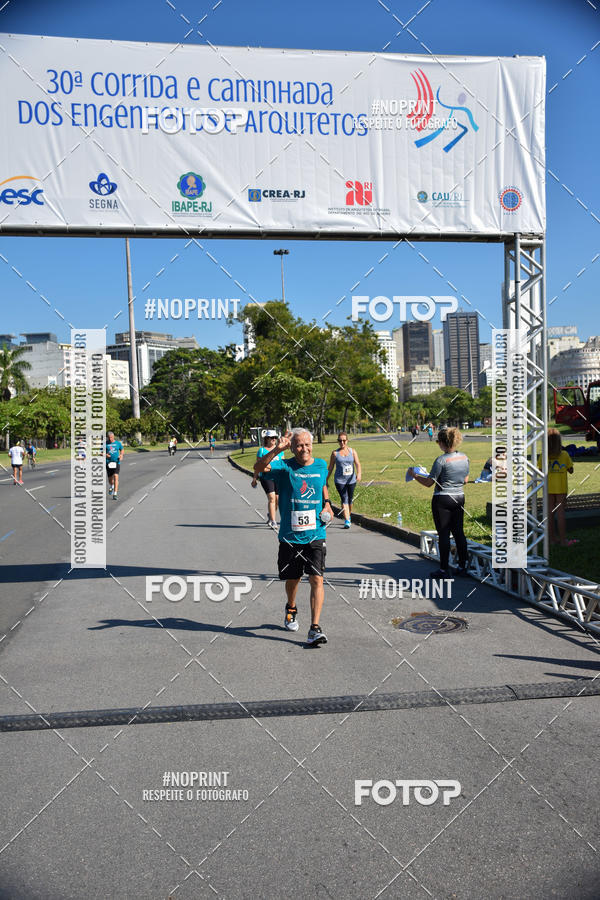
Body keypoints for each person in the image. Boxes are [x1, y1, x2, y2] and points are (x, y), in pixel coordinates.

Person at [254, 428, 333, 646]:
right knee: (293, 579)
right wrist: (277, 449)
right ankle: (291, 606)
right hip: (290, 536)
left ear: (312, 445)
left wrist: (328, 504)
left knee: (316, 578)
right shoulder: (284, 466)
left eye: (307, 444)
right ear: (292, 446)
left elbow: (323, 486)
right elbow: (258, 467)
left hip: (316, 533)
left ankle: (315, 628)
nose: (304, 449)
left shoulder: (321, 465)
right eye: (299, 445)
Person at [409, 426, 470, 578]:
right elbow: (466, 480)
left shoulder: (441, 460)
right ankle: (463, 566)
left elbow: (429, 482)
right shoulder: (464, 457)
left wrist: (415, 475)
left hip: (442, 498)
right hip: (459, 497)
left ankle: (444, 569)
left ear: (442, 443)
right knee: (458, 532)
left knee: (444, 534)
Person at [538, 429, 576, 547]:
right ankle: (563, 541)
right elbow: (571, 470)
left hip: (548, 488)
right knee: (560, 513)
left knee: (549, 513)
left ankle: (552, 539)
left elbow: (539, 471)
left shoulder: (543, 456)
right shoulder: (564, 455)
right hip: (561, 488)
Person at [327, 431, 362, 528]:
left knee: (350, 500)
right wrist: (325, 479)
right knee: (344, 498)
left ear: (347, 441)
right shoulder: (335, 453)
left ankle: (348, 516)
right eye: (340, 440)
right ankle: (347, 520)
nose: (342, 442)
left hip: (351, 480)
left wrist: (359, 474)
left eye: (344, 440)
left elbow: (357, 464)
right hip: (339, 481)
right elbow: (330, 468)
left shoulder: (352, 451)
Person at [251, 430, 283, 528]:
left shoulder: (279, 450)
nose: (274, 439)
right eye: (271, 438)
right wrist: (254, 479)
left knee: (277, 500)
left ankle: (270, 514)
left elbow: (282, 465)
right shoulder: (262, 451)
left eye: (275, 438)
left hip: (277, 477)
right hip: (266, 477)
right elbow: (258, 467)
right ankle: (273, 521)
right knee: (272, 498)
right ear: (267, 439)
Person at [106, 431, 124, 499]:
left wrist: (121, 455)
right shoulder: (105, 444)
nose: (110, 439)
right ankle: (111, 486)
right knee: (110, 479)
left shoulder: (117, 443)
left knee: (116, 476)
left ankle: (115, 493)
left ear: (113, 437)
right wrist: (105, 455)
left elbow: (122, 449)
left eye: (111, 437)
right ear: (107, 437)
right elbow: (101, 452)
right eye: (109, 437)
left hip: (116, 462)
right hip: (108, 463)